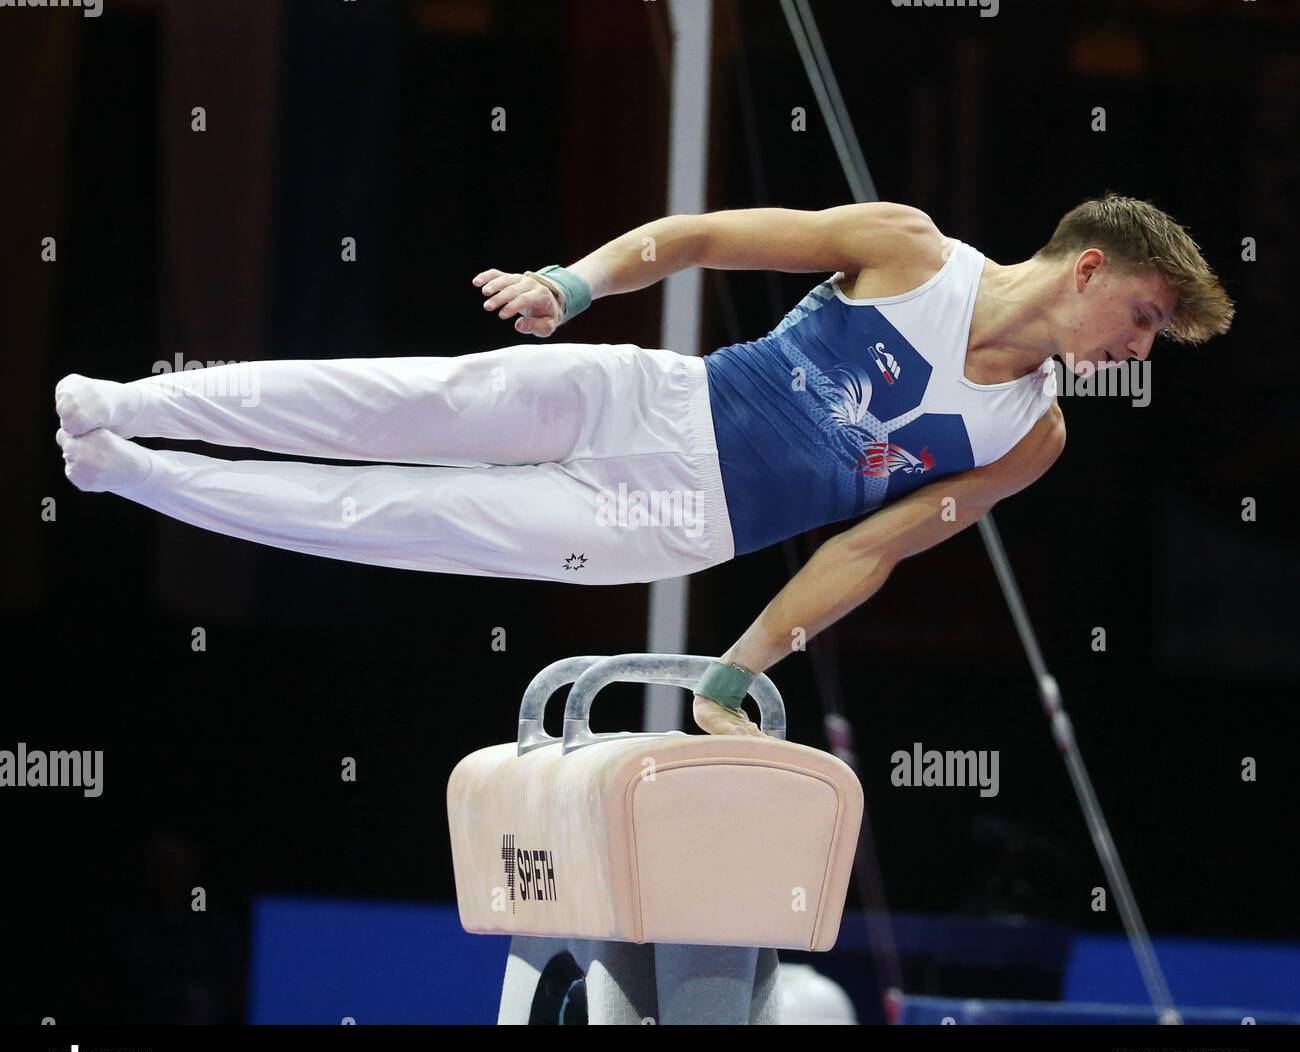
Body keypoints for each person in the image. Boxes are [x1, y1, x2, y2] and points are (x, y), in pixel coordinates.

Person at [54, 192, 1233, 735]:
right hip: (653, 392)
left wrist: (734, 668)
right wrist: (572, 283)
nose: (1134, 351)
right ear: (1086, 267)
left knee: (389, 517)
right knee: (402, 395)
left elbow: (868, 546)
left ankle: (136, 474)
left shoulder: (1028, 438)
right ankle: (127, 402)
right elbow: (709, 236)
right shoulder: (910, 251)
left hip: (668, 518)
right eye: (1142, 318)